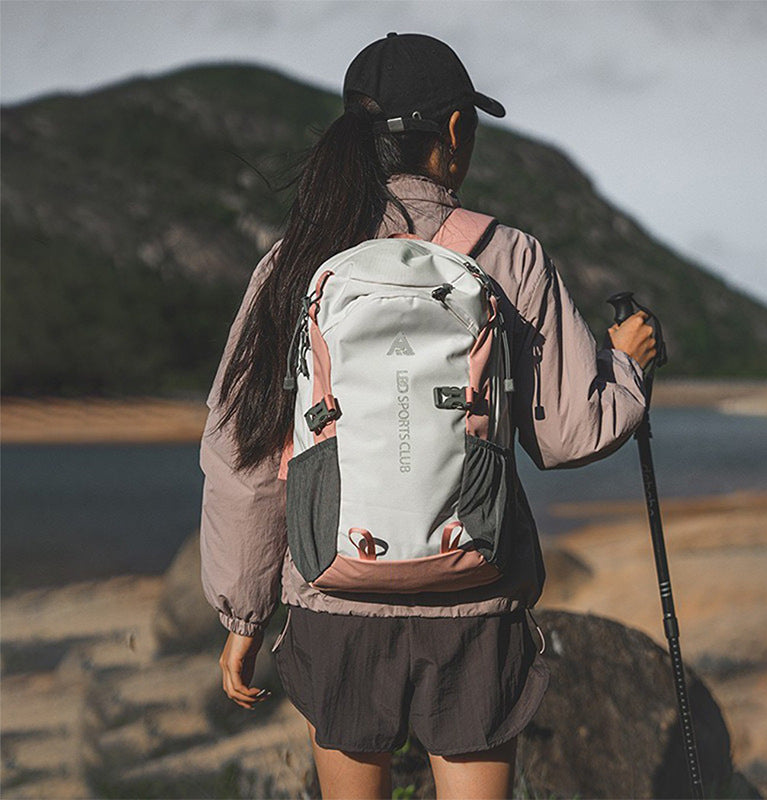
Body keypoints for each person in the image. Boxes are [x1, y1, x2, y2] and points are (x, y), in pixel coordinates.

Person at [199, 33, 655, 800]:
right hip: (474, 599)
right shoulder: (510, 257)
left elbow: (243, 454)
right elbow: (569, 431)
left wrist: (245, 615)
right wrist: (630, 364)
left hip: (335, 594)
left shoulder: (296, 260)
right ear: (453, 133)